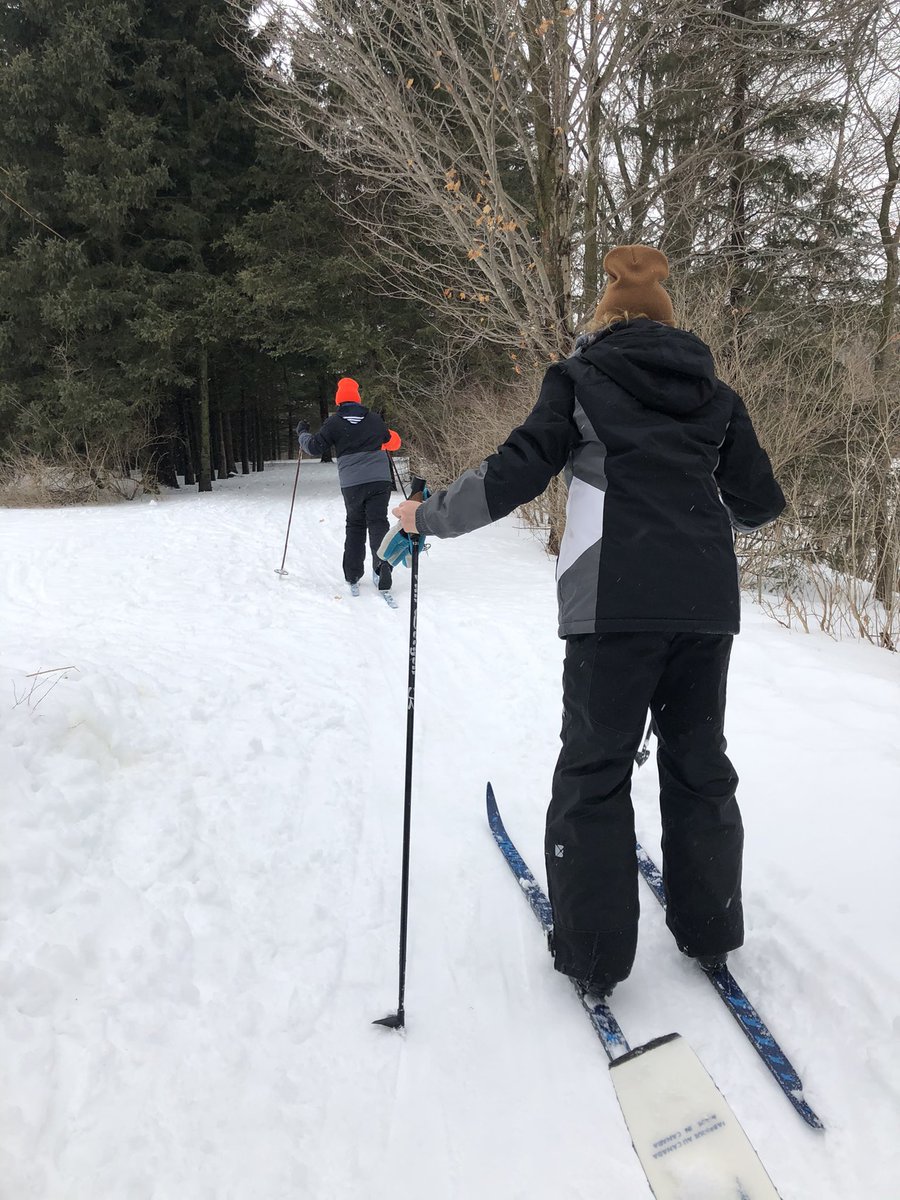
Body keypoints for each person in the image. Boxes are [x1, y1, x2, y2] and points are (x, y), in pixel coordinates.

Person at [392, 245, 785, 998]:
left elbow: (514, 471)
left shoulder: (578, 379)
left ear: (602, 323)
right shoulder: (716, 394)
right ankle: (711, 930)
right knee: (700, 762)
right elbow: (760, 503)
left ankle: (597, 956)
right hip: (704, 608)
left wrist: (427, 516)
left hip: (613, 606)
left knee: (595, 769)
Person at [297, 377, 402, 594]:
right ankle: (382, 565)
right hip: (379, 479)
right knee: (378, 522)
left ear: (339, 400)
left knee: (355, 524)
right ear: (357, 398)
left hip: (353, 482)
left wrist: (302, 434)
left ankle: (353, 573)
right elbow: (391, 442)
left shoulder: (334, 423)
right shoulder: (374, 419)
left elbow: (315, 447)